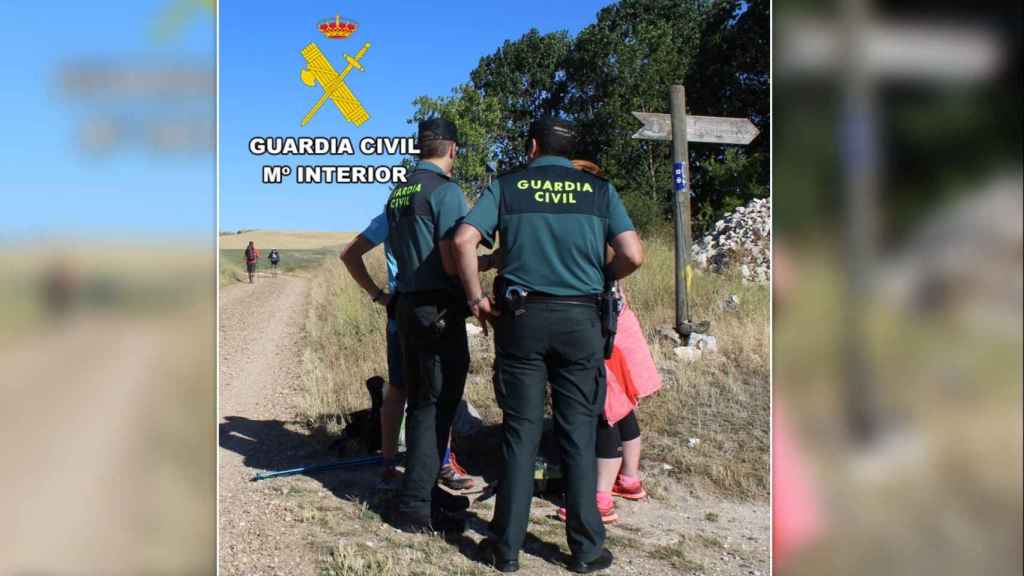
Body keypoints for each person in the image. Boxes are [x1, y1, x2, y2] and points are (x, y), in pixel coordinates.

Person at [453, 117, 643, 573]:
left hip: (522, 320)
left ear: (533, 145)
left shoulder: (508, 186)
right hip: (582, 321)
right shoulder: (598, 190)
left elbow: (463, 240)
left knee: (521, 432)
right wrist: (603, 278)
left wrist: (476, 298)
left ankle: (506, 549)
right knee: (578, 432)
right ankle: (585, 549)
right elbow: (633, 254)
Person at [340, 212, 478, 492]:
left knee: (404, 389)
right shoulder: (413, 212)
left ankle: (398, 465)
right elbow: (349, 254)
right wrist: (378, 295)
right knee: (421, 391)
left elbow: (350, 254)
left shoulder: (397, 212)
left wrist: (380, 295)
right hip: (422, 314)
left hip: (409, 314)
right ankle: (429, 466)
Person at [384, 117, 472, 533]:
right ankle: (415, 506)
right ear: (452, 149)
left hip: (408, 306)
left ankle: (424, 491)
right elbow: (454, 256)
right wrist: (484, 267)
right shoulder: (446, 192)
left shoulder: (399, 192)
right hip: (438, 309)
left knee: (423, 402)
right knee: (435, 406)